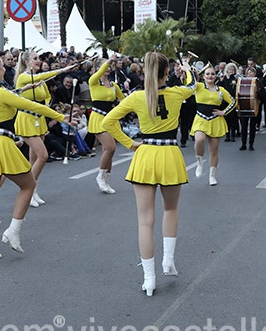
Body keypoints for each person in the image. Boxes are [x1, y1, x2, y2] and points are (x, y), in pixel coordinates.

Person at [102, 52, 196, 296]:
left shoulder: (136, 97)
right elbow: (193, 85)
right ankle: (168, 261)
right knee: (170, 210)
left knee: (145, 220)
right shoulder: (177, 93)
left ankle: (149, 278)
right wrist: (187, 69)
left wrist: (130, 144)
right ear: (167, 72)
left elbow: (107, 122)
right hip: (170, 155)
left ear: (145, 72)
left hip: (145, 155)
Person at [0, 53, 68, 262]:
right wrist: (61, 117)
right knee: (28, 185)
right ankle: (13, 231)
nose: (4, 69)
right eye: (2, 66)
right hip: (1, 143)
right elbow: (33, 106)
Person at [14, 50, 78, 208]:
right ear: (27, 62)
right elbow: (41, 77)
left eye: (38, 58)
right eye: (35, 59)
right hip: (26, 119)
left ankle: (33, 191)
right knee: (43, 155)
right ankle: (27, 189)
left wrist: (48, 104)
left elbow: (47, 95)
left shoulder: (39, 79)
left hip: (39, 119)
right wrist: (62, 70)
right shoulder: (23, 77)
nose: (38, 61)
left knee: (34, 157)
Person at [191, 63, 236, 186]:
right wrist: (187, 68)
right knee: (199, 139)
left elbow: (233, 101)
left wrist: (224, 112)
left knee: (214, 150)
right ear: (203, 76)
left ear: (216, 76)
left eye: (212, 74)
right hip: (201, 118)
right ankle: (200, 161)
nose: (210, 76)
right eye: (207, 74)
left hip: (215, 120)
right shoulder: (198, 86)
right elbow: (189, 82)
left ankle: (212, 175)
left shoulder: (221, 90)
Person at [86, 55, 125, 194]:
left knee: (109, 151)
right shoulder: (93, 82)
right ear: (98, 68)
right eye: (104, 66)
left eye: (109, 66)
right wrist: (108, 61)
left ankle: (106, 180)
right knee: (110, 147)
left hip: (111, 119)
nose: (107, 68)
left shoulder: (113, 85)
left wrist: (120, 109)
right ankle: (100, 176)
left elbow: (123, 100)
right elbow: (98, 73)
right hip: (98, 118)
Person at [237, 66, 263, 151]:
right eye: (248, 73)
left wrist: (258, 94)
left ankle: (251, 144)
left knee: (252, 126)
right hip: (244, 105)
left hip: (254, 106)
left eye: (251, 72)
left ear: (254, 73)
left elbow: (263, 94)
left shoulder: (258, 82)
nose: (249, 74)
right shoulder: (243, 81)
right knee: (244, 126)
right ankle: (243, 144)